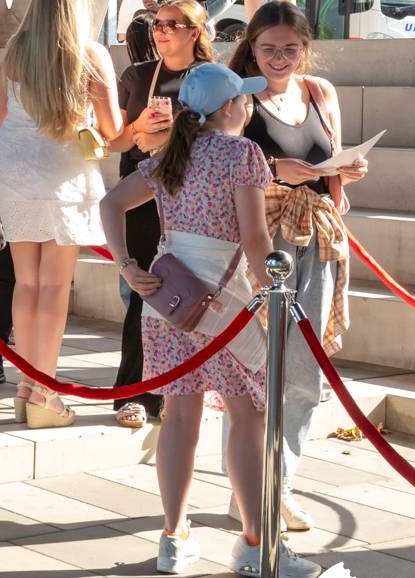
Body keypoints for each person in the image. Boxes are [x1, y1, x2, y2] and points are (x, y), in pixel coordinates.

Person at [98, 63, 317, 578]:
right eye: (244, 100)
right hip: (228, 304)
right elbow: (257, 241)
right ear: (228, 108)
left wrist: (127, 265)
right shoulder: (243, 155)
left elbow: (112, 203)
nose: (249, 106)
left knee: (179, 419)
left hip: (170, 302)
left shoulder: (170, 155)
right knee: (247, 417)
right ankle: (256, 542)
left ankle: (173, 537)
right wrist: (275, 293)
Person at [227, 1, 367, 532]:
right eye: (268, 48)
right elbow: (215, 170)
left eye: (290, 49)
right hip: (258, 236)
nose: (279, 59)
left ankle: (279, 485)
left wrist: (347, 170)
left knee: (305, 371)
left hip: (317, 235)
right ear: (252, 47)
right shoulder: (237, 98)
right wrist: (269, 169)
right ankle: (249, 490)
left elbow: (330, 163)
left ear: (306, 49)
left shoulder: (320, 93)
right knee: (255, 369)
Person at [0, 0, 122, 428]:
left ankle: (25, 386)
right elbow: (111, 130)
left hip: (14, 169)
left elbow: (3, 113)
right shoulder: (89, 54)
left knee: (26, 282)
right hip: (63, 174)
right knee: (54, 286)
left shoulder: (17, 48)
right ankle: (46, 390)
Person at [105, 0, 216, 428]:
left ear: (196, 32)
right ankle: (132, 393)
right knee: (143, 292)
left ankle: (180, 390)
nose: (162, 30)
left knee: (190, 292)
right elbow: (112, 141)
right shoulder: (136, 75)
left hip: (193, 195)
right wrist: (137, 129)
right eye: (158, 23)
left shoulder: (210, 78)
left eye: (173, 23)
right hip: (142, 193)